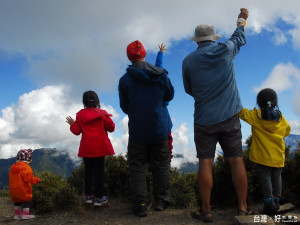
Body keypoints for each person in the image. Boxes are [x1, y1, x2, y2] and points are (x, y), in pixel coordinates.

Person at [182, 8, 251, 222]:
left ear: (197, 41)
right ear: (212, 38)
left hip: (203, 119)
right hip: (230, 116)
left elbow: (189, 89)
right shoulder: (225, 50)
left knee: (205, 163)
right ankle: (242, 207)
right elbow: (238, 37)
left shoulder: (188, 61)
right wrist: (241, 19)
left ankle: (206, 210)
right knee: (236, 161)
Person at [118, 40, 174, 217]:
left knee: (137, 167)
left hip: (138, 130)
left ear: (129, 57)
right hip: (160, 128)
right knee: (162, 165)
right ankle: (161, 202)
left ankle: (141, 205)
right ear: (144, 54)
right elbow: (170, 94)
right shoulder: (160, 75)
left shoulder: (125, 80)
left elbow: (125, 107)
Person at [239, 88, 291, 214]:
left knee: (266, 178)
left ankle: (269, 203)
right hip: (278, 154)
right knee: (277, 177)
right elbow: (287, 130)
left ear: (259, 102)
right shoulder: (280, 117)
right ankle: (277, 200)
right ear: (275, 102)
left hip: (263, 155)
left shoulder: (256, 115)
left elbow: (241, 113)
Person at [66, 90, 115, 207]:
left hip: (87, 148)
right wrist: (106, 118)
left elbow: (77, 131)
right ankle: (99, 198)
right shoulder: (102, 113)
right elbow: (111, 128)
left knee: (88, 173)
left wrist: (72, 123)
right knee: (99, 174)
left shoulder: (80, 115)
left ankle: (88, 196)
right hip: (100, 148)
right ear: (97, 100)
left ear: (84, 102)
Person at [9, 149, 41, 220]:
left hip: (14, 191)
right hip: (23, 190)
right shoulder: (26, 168)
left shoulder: (13, 168)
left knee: (17, 202)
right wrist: (37, 180)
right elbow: (29, 179)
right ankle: (25, 215)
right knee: (27, 202)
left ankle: (17, 215)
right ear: (28, 158)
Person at [155, 43, 173, 161]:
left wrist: (161, 53)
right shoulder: (160, 79)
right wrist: (160, 52)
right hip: (162, 118)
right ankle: (169, 156)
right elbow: (159, 67)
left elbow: (158, 66)